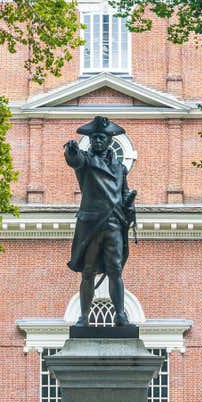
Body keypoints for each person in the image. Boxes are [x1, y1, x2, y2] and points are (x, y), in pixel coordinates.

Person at [65, 116, 136, 327]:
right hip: (92, 224)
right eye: (94, 137)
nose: (97, 141)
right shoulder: (85, 161)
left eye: (101, 138)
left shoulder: (120, 168)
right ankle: (84, 316)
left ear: (108, 141)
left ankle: (120, 316)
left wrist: (129, 206)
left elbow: (123, 193)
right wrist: (71, 150)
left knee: (115, 270)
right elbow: (74, 160)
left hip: (114, 222)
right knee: (88, 272)